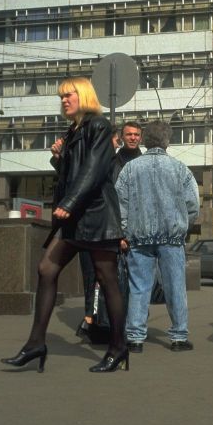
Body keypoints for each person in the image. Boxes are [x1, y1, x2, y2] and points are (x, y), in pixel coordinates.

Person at [1, 77, 128, 374]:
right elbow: (72, 173)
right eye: (61, 97)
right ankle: (35, 344)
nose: (64, 100)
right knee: (47, 269)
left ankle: (119, 347)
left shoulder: (98, 126)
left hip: (96, 215)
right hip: (76, 216)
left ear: (83, 96)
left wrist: (69, 204)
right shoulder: (74, 131)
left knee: (107, 278)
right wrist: (59, 158)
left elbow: (94, 171)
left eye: (68, 95)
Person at [115, 120, 199, 354]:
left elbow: (121, 203)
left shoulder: (130, 169)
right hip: (171, 238)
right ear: (167, 141)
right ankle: (179, 337)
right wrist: (182, 224)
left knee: (139, 287)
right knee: (175, 287)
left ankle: (135, 338)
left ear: (144, 140)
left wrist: (125, 230)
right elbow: (193, 204)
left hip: (138, 237)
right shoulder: (180, 168)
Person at [75, 121, 143, 341]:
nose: (132, 137)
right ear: (122, 137)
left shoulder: (144, 163)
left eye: (136, 134)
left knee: (132, 281)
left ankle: (129, 325)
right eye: (128, 134)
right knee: (99, 277)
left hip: (133, 229)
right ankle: (95, 320)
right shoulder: (113, 161)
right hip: (109, 226)